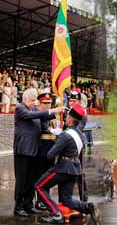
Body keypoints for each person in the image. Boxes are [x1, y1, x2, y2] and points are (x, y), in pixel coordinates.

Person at [34, 103, 99, 224]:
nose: (65, 118)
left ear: (70, 119)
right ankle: (87, 207)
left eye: (67, 116)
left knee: (39, 186)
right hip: (75, 169)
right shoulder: (80, 133)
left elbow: (50, 155)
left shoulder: (65, 135)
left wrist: (57, 138)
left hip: (64, 168)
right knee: (66, 199)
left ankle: (55, 213)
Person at [13, 89, 63, 217]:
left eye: (35, 100)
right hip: (23, 151)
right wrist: (52, 110)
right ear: (25, 99)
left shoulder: (34, 110)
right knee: (21, 180)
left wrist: (59, 109)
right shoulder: (20, 108)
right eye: (33, 100)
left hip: (34, 150)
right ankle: (18, 207)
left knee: (31, 180)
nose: (35, 103)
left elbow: (43, 116)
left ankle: (28, 205)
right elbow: (31, 116)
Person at [34, 93, 62, 210]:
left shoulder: (52, 115)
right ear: (39, 103)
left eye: (49, 103)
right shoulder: (39, 114)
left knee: (48, 174)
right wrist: (51, 130)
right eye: (44, 103)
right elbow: (43, 127)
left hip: (51, 147)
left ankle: (45, 198)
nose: (47, 105)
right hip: (41, 147)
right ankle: (39, 200)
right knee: (40, 174)